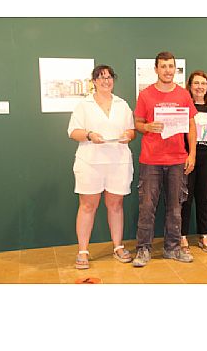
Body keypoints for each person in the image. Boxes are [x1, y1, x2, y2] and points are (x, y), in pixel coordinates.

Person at [132, 51, 198, 267]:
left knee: (175, 207)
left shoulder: (183, 95)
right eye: (163, 66)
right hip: (151, 160)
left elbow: (191, 126)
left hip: (178, 160)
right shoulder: (146, 95)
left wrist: (192, 154)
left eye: (171, 66)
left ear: (175, 69)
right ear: (156, 69)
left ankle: (173, 249)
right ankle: (143, 250)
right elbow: (138, 123)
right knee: (147, 206)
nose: (168, 70)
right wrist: (147, 127)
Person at [67, 64, 136, 269]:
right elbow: (73, 132)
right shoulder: (84, 105)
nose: (106, 81)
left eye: (109, 77)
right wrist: (89, 135)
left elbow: (131, 130)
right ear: (94, 81)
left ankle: (118, 246)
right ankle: (83, 251)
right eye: (101, 77)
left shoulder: (122, 104)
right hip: (90, 162)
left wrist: (127, 136)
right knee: (88, 206)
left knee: (115, 206)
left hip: (118, 162)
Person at [180, 70, 207, 255]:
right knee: (186, 199)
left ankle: (203, 235)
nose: (200, 87)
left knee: (204, 199)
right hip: (188, 157)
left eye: (203, 83)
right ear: (190, 86)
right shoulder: (185, 106)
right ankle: (182, 236)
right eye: (196, 83)